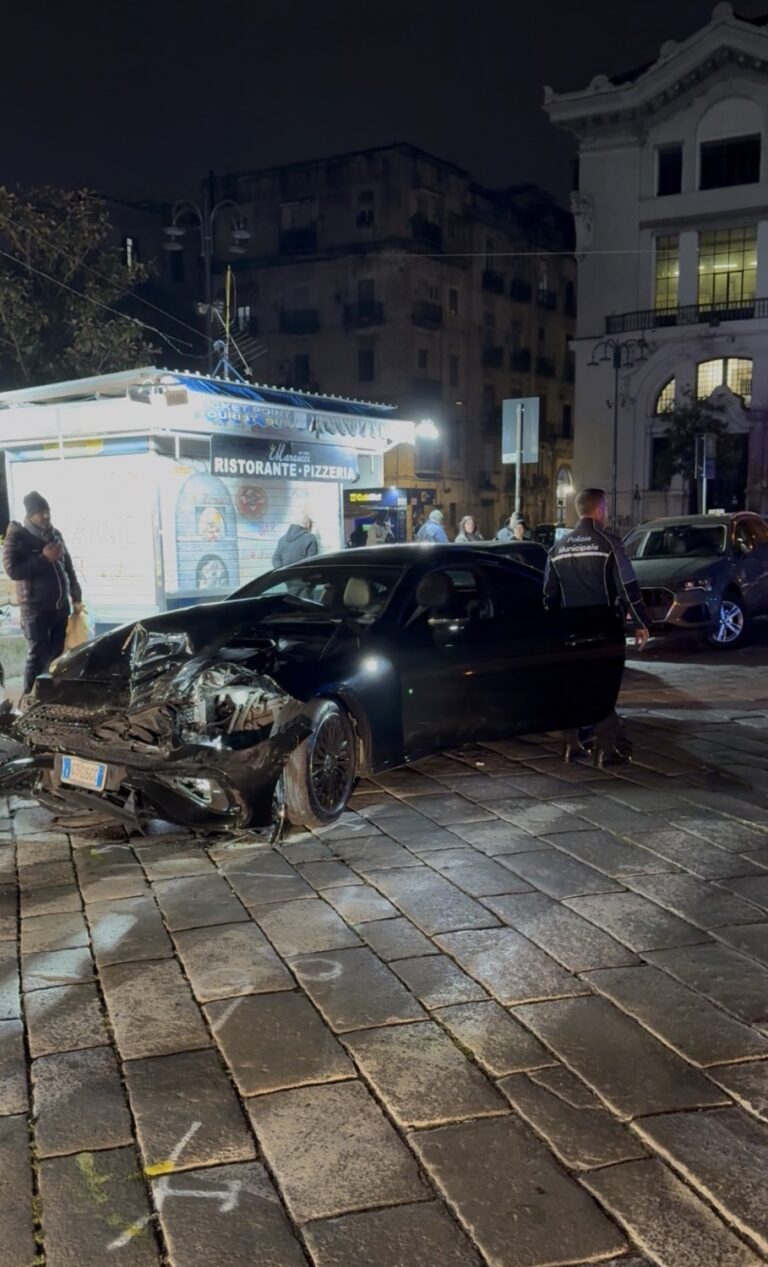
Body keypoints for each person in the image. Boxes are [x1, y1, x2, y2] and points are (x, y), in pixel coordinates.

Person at [543, 486, 649, 767]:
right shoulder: (610, 543)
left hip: (569, 627)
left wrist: (555, 629)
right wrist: (640, 622)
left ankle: (571, 745)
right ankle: (606, 748)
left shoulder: (557, 549)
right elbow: (627, 587)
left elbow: (548, 596)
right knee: (604, 685)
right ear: (599, 509)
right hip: (603, 626)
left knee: (574, 685)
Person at [3, 492, 83, 695]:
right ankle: (28, 696)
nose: (46, 516)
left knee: (57, 655)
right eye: (40, 513)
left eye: (47, 512)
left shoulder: (55, 534)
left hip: (59, 605)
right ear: (30, 515)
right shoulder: (17, 536)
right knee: (38, 654)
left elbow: (68, 566)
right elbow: (13, 570)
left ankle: (50, 695)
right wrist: (44, 558)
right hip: (35, 608)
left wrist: (76, 594)